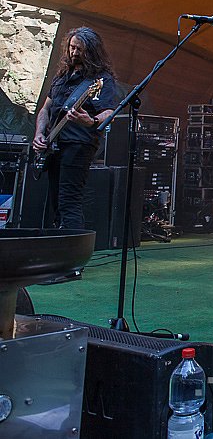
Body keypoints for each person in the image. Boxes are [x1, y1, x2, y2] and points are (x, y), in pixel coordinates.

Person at [32, 27, 118, 283]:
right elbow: (46, 109)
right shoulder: (62, 76)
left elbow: (109, 112)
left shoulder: (100, 80)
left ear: (91, 51)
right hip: (55, 144)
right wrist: (40, 133)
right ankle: (57, 259)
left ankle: (71, 266)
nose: (74, 52)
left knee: (70, 201)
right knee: (56, 203)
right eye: (71, 47)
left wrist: (90, 120)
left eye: (80, 49)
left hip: (79, 144)